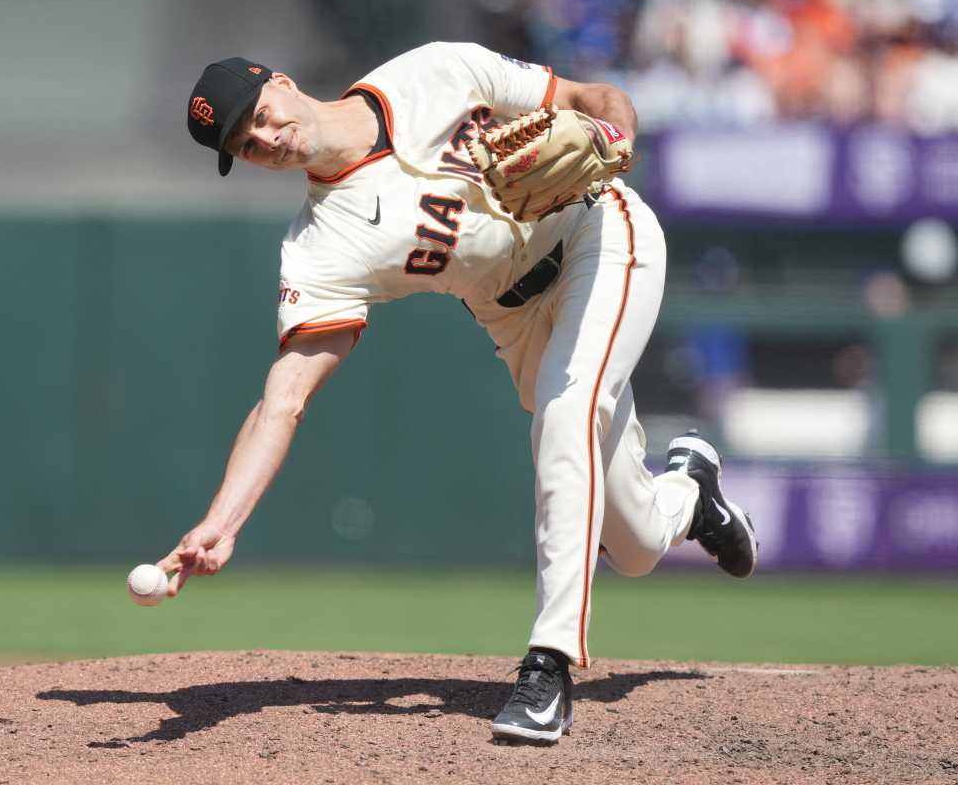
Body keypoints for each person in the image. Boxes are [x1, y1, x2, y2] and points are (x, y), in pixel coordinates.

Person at [161, 43, 757, 744]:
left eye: (259, 115)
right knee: (636, 545)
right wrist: (222, 521)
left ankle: (548, 666)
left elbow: (590, 98)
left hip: (599, 235)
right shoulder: (318, 250)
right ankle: (692, 495)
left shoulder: (434, 71)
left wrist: (614, 136)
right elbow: (283, 399)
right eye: (244, 144)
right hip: (513, 319)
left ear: (284, 83)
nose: (264, 138)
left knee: (566, 417)